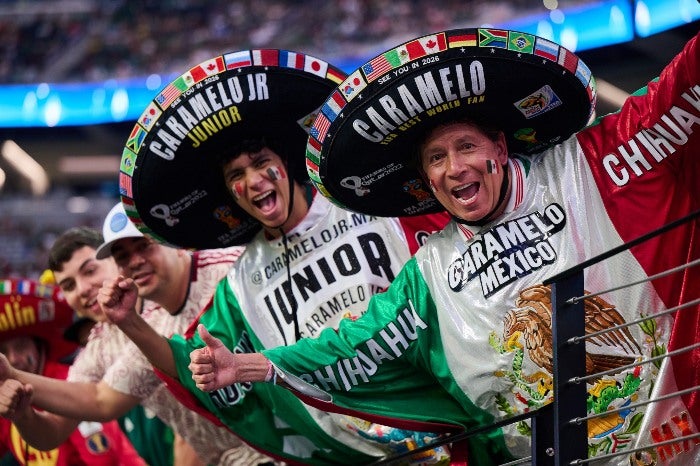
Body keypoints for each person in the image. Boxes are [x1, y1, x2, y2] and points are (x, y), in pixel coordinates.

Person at [185, 27, 700, 465]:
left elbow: (679, 93)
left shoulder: (587, 164)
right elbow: (355, 343)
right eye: (435, 158)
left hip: (679, 436)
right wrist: (255, 366)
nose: (455, 168)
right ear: (426, 181)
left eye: (467, 146)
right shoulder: (429, 270)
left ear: (500, 146)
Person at [101, 49, 452, 465]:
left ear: (286, 165)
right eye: (236, 176)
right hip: (354, 452)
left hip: (439, 418)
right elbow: (190, 366)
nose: (252, 181)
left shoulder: (368, 204)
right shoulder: (240, 283)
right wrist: (130, 321)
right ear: (230, 193)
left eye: (261, 163)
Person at [0, 215, 272, 466]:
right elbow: (56, 431)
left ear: (114, 263)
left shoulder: (185, 289)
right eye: (69, 286)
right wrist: (23, 413)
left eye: (90, 271)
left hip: (281, 442)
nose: (83, 289)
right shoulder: (99, 349)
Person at [0, 278, 146, 465]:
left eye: (21, 347)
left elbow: (104, 460)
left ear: (40, 346)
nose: (12, 359)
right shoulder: (4, 397)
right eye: (3, 351)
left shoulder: (70, 381)